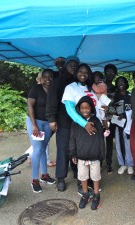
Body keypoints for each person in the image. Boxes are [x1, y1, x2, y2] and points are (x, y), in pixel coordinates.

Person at [45, 55, 79, 192]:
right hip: (63, 121)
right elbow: (51, 100)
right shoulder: (58, 81)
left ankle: (77, 170)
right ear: (66, 66)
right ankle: (60, 178)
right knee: (63, 150)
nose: (73, 67)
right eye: (71, 65)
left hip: (77, 122)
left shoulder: (78, 81)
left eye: (75, 66)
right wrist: (51, 119)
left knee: (77, 147)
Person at [69, 96, 105, 210]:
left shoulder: (96, 122)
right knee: (83, 177)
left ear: (91, 109)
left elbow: (100, 139)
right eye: (82, 108)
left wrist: (101, 155)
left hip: (94, 156)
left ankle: (96, 195)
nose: (85, 110)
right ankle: (85, 195)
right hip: (81, 156)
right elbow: (72, 139)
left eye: (87, 108)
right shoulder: (76, 123)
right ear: (79, 109)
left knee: (95, 176)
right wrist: (73, 154)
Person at [26, 69, 56, 193]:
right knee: (37, 149)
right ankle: (34, 179)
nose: (48, 79)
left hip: (47, 123)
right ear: (41, 78)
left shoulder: (54, 91)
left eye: (50, 77)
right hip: (35, 122)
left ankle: (44, 175)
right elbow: (30, 106)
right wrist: (34, 125)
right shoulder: (36, 89)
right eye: (45, 77)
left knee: (43, 148)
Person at [112, 76, 134, 175]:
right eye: (118, 82)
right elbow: (110, 110)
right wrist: (116, 114)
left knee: (128, 145)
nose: (120, 84)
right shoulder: (114, 97)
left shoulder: (130, 96)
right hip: (118, 124)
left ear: (126, 84)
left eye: (122, 82)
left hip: (128, 124)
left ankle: (130, 164)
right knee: (119, 144)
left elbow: (134, 109)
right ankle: (122, 164)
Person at [104, 64, 118, 174]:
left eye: (112, 73)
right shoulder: (98, 86)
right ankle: (98, 162)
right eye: (108, 72)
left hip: (112, 119)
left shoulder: (116, 88)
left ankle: (108, 164)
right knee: (98, 141)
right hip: (101, 119)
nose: (110, 75)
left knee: (109, 142)